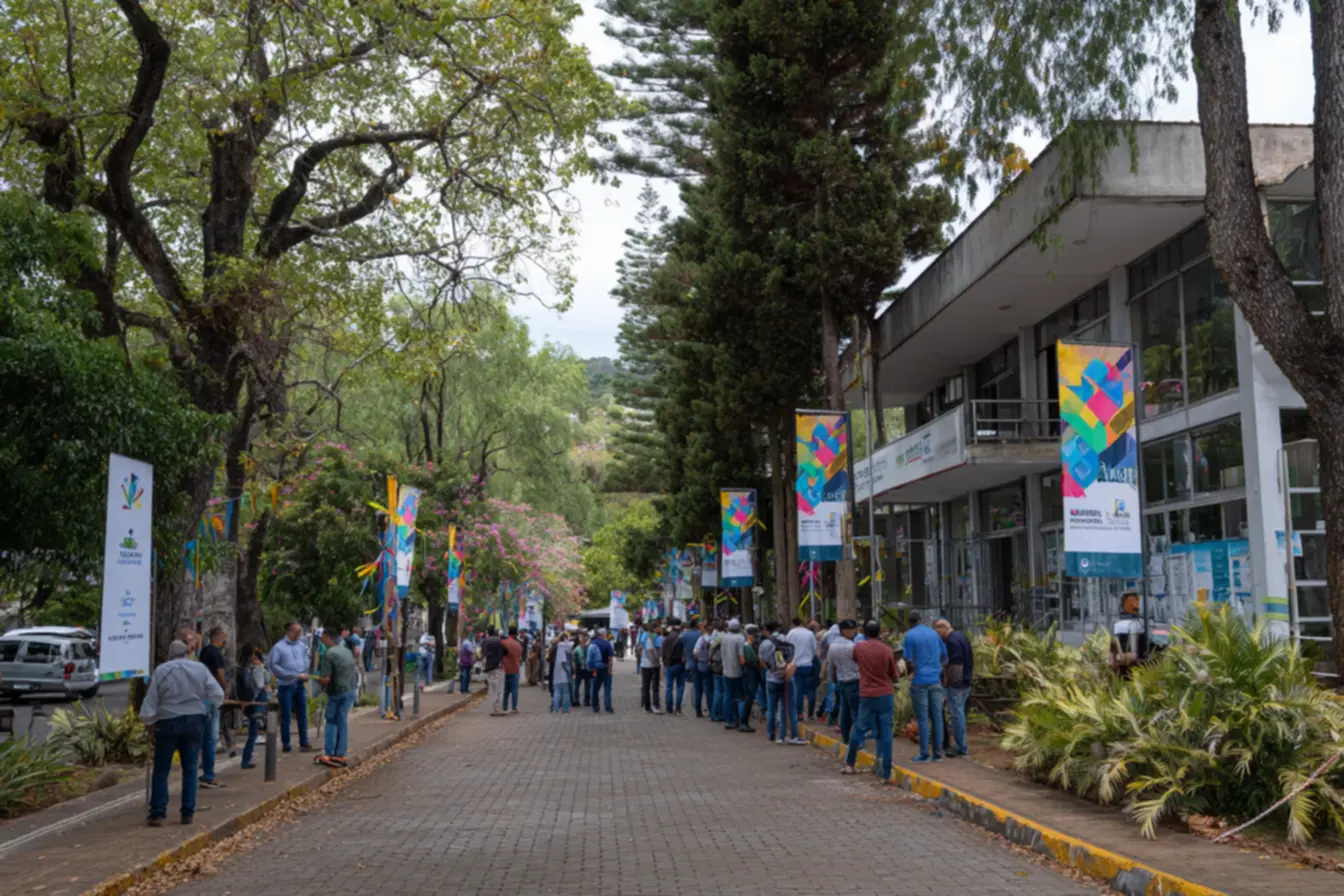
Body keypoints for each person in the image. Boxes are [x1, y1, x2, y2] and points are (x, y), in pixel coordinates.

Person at [141, 640, 224, 826]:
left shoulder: (161, 670)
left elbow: (151, 699)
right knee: (191, 768)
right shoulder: (200, 668)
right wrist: (208, 708)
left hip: (167, 721)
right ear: (187, 652)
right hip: (194, 720)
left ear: (169, 654)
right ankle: (187, 812)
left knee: (162, 769)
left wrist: (149, 723)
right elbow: (217, 694)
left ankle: (158, 812)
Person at [843, 620, 901, 779]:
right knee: (886, 731)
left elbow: (856, 661)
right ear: (879, 632)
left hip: (867, 693)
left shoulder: (859, 647)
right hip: (884, 694)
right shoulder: (887, 650)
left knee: (860, 727)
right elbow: (892, 673)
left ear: (865, 632)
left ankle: (850, 763)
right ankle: (885, 771)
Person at [903, 611, 948, 763]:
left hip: (920, 681)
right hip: (935, 680)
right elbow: (945, 656)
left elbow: (908, 660)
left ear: (909, 622)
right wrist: (937, 668)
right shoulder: (934, 634)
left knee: (922, 718)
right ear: (921, 620)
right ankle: (937, 753)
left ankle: (924, 754)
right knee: (937, 716)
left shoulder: (909, 635)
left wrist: (913, 672)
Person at [268, 621, 314, 753]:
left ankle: (304, 742)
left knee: (302, 713)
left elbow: (306, 658)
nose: (299, 634)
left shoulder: (301, 645)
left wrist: (305, 670)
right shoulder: (278, 647)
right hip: (286, 684)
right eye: (297, 632)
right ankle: (286, 743)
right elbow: (274, 666)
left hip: (300, 683)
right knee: (286, 715)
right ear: (289, 631)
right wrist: (291, 674)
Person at [315, 628, 358, 768]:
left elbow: (326, 679)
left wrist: (316, 679)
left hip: (336, 692)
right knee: (343, 721)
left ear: (328, 637)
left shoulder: (329, 654)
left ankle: (329, 752)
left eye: (322, 637)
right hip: (350, 690)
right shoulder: (346, 651)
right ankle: (340, 753)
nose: (321, 639)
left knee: (331, 721)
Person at [934, 618, 974, 758]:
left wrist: (947, 682)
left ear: (943, 628)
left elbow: (955, 667)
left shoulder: (951, 642)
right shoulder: (961, 636)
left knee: (956, 715)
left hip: (957, 684)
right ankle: (960, 745)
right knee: (959, 714)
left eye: (938, 632)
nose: (938, 636)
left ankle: (962, 748)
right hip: (966, 681)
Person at [197, 626, 230, 789]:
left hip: (202, 696)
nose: (225, 640)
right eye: (224, 637)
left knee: (204, 735)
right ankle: (209, 774)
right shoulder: (216, 653)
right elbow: (220, 672)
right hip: (213, 697)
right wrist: (225, 688)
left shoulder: (204, 652)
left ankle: (204, 767)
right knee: (211, 736)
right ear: (219, 638)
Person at [760, 621, 801, 744]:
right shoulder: (787, 640)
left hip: (771, 679)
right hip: (787, 679)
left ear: (767, 630)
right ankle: (792, 735)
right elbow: (793, 659)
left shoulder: (765, 644)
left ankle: (771, 734)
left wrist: (770, 668)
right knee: (789, 708)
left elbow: (761, 661)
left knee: (771, 709)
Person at [826, 619, 861, 745]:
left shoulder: (833, 646)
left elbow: (832, 666)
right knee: (856, 713)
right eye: (852, 629)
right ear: (844, 631)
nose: (854, 631)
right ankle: (858, 741)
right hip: (854, 681)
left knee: (845, 711)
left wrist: (834, 680)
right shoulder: (852, 647)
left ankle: (846, 738)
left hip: (841, 681)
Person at [236, 646, 269, 770]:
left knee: (254, 732)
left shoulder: (244, 669)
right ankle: (246, 759)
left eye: (257, 659)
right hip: (257, 702)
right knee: (254, 732)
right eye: (253, 658)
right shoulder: (257, 670)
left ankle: (246, 758)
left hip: (251, 702)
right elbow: (260, 685)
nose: (255, 661)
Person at [786, 617, 819, 721]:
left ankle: (799, 713)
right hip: (808, 665)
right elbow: (814, 651)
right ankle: (810, 714)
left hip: (795, 665)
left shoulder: (791, 633)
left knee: (798, 691)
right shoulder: (809, 634)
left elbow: (787, 648)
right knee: (811, 690)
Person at [1110, 591, 1150, 677]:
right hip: (1133, 670)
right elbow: (1134, 655)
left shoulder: (1119, 625)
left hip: (1128, 670)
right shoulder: (1137, 624)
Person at [720, 619, 747, 730]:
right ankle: (741, 721)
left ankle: (728, 720)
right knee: (740, 698)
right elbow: (741, 657)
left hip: (726, 671)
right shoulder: (740, 638)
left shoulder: (724, 637)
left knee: (727, 696)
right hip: (737, 672)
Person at [661, 619, 686, 714]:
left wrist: (664, 662)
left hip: (668, 665)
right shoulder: (680, 639)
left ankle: (669, 708)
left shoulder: (666, 639)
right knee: (680, 687)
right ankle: (678, 707)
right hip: (679, 664)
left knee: (669, 687)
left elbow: (662, 653)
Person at [587, 628, 616, 713]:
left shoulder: (592, 645)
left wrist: (591, 668)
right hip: (606, 669)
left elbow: (589, 660)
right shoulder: (607, 644)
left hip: (596, 669)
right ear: (603, 635)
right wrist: (610, 671)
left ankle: (595, 706)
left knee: (595, 689)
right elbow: (610, 659)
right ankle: (608, 707)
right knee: (607, 689)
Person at [739, 624, 761, 733]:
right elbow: (753, 659)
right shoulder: (747, 646)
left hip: (750, 672)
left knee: (749, 697)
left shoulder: (750, 645)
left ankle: (743, 721)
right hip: (750, 672)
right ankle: (743, 722)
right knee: (749, 697)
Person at [637, 622, 663, 713]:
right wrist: (657, 659)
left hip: (645, 664)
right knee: (655, 686)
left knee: (646, 685)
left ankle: (646, 706)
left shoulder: (643, 636)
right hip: (655, 664)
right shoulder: (656, 637)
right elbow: (659, 650)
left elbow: (641, 648)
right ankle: (656, 705)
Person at [691, 621, 712, 718]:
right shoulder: (713, 639)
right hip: (710, 666)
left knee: (698, 689)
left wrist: (699, 659)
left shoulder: (701, 639)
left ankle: (698, 711)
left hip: (699, 665)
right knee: (709, 689)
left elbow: (695, 652)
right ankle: (711, 710)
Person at [501, 626, 523, 713]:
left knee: (506, 689)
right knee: (514, 689)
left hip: (505, 669)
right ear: (516, 634)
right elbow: (520, 658)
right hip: (515, 669)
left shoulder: (503, 643)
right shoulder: (518, 645)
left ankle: (504, 706)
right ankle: (514, 707)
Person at [551, 633, 574, 713]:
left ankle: (555, 709)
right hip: (565, 673)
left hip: (556, 673)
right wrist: (569, 673)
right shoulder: (566, 648)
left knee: (556, 692)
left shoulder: (555, 647)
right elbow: (565, 663)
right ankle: (566, 709)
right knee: (566, 692)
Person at [573, 630, 590, 706]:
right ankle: (578, 700)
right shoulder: (577, 648)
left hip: (583, 667)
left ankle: (584, 700)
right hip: (580, 667)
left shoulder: (586, 647)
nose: (583, 638)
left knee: (586, 684)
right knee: (579, 684)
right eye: (582, 636)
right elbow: (573, 659)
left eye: (584, 636)